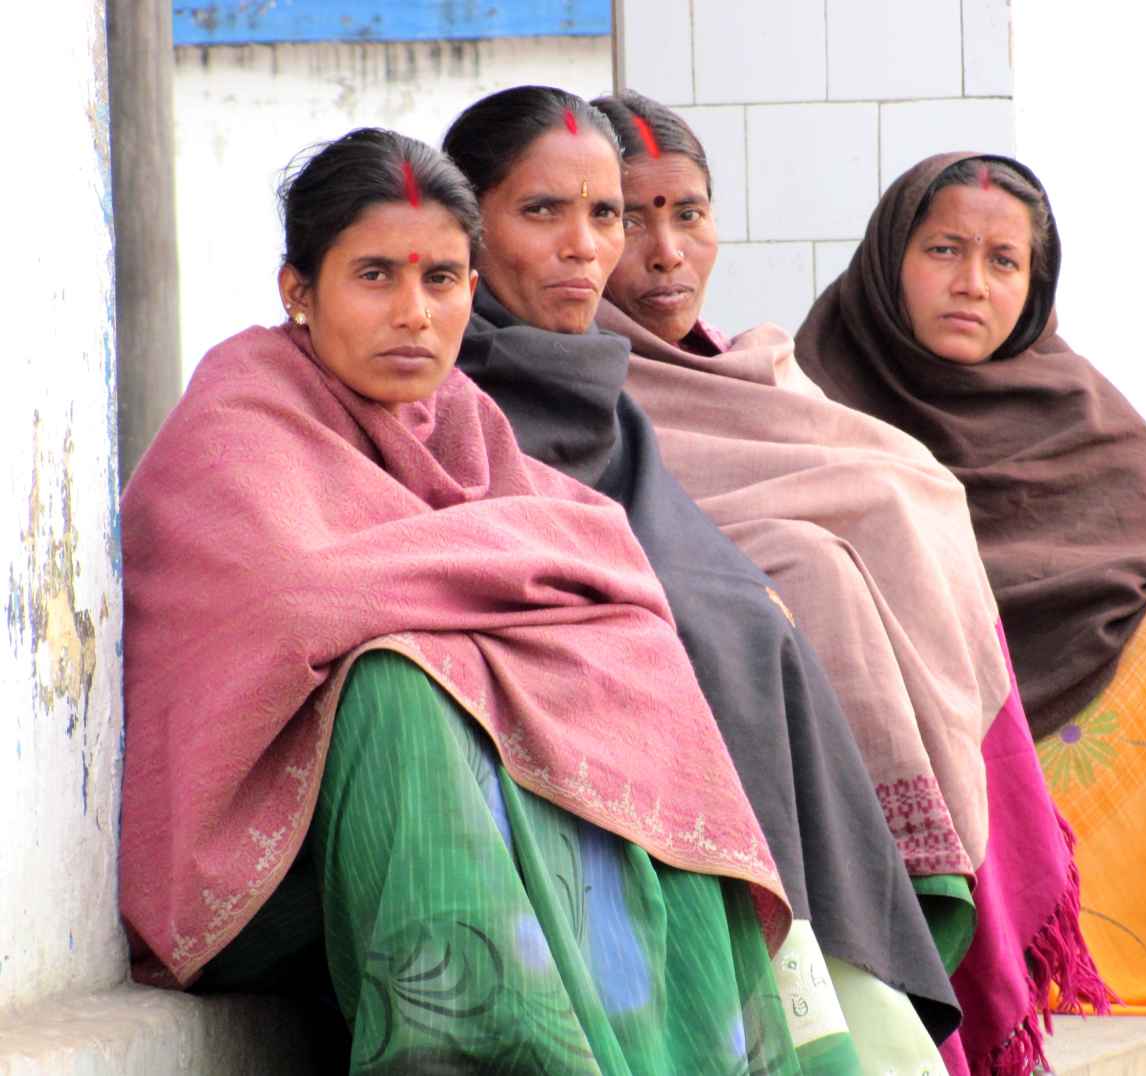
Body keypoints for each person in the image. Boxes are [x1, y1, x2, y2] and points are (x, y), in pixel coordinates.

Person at [118, 127, 814, 1075]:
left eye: (441, 280)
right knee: (398, 679)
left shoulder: (460, 421)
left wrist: (478, 590)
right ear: (297, 291)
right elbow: (298, 597)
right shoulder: (238, 418)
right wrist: (500, 586)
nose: (413, 313)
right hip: (261, 866)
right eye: (375, 276)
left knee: (622, 663)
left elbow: (605, 558)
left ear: (470, 294)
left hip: (446, 844)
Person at [794, 150, 1146, 1073]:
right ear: (890, 255)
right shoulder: (813, 393)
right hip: (915, 724)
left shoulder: (1069, 399)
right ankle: (1018, 946)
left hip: (1055, 715)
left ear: (1035, 280)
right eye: (942, 250)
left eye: (1002, 261)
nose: (971, 284)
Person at [588, 91, 1110, 1076]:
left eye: (688, 212)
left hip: (896, 736)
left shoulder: (761, 374)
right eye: (626, 215)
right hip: (750, 785)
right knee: (816, 570)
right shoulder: (572, 382)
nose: (664, 251)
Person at [441, 86, 960, 1075]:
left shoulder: (603, 395)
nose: (586, 246)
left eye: (603, 214)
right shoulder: (451, 392)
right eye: (541, 211)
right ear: (470, 226)